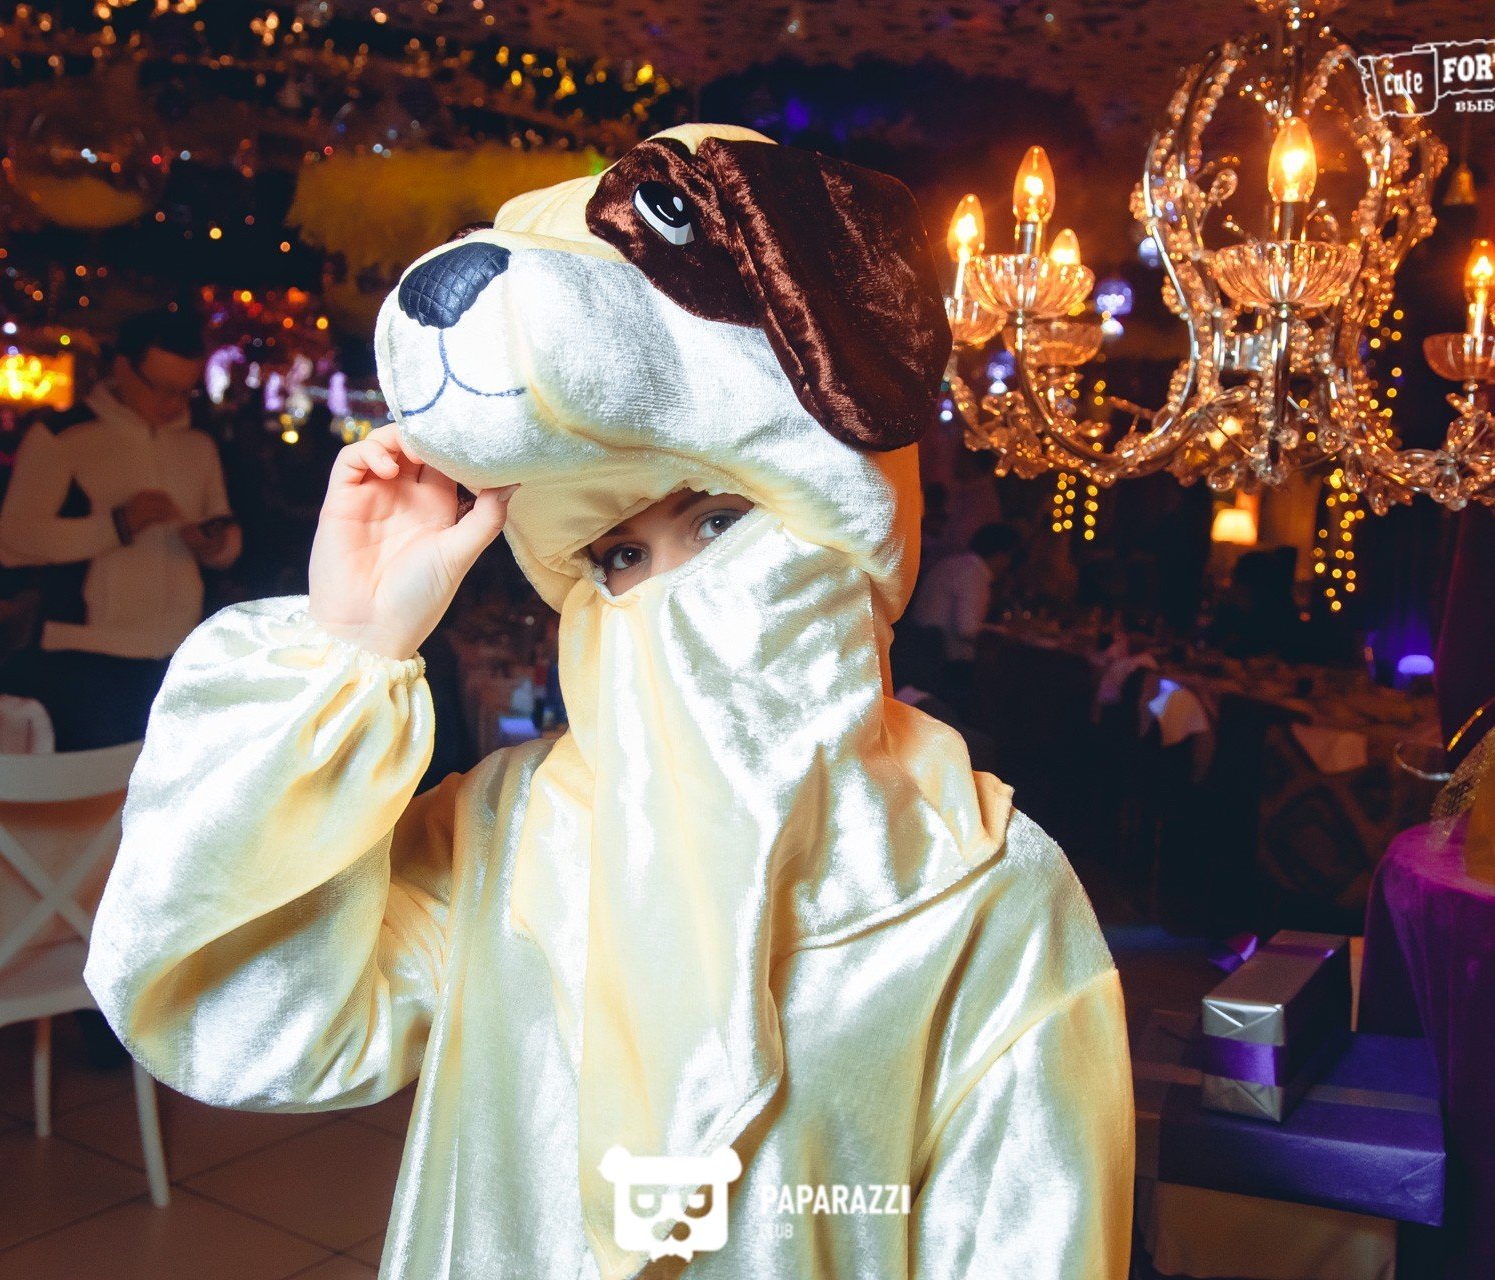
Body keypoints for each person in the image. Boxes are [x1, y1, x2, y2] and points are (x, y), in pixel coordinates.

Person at [85, 125, 1130, 1279]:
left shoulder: (979, 884)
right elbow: (239, 1017)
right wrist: (351, 645)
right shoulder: (507, 829)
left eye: (718, 521)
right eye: (619, 557)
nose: (667, 590)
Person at [0, 308, 241, 750]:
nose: (172, 404)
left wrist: (213, 545)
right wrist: (118, 524)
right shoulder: (63, 437)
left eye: (184, 392)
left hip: (179, 653)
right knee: (94, 785)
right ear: (123, 369)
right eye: (160, 388)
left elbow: (225, 531)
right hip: (87, 655)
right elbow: (13, 542)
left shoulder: (198, 444)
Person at [901, 520, 1021, 703]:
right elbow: (967, 629)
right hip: (944, 665)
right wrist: (1002, 631)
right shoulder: (974, 572)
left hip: (917, 653)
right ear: (1000, 555)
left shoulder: (951, 563)